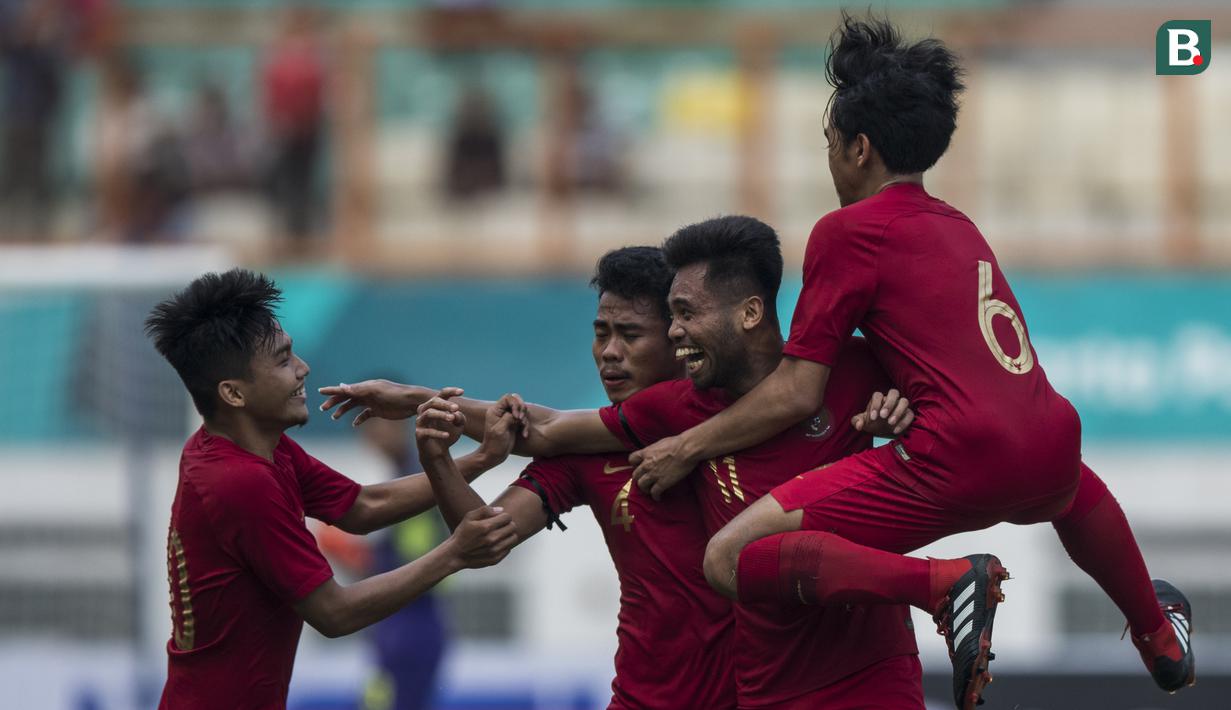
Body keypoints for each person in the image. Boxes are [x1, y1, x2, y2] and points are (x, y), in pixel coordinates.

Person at [623, 16, 1195, 710]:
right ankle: (1157, 636)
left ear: (858, 149)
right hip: (1049, 442)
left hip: (955, 457)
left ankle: (941, 585)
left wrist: (686, 445)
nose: (828, 162)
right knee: (1072, 486)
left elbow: (799, 391)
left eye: (829, 146)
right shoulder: (955, 223)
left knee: (729, 557)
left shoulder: (847, 232)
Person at [321, 221, 927, 708]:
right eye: (600, 332)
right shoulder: (589, 447)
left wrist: (895, 412)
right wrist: (443, 459)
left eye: (631, 334)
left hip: (779, 688)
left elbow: (927, 407)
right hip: (646, 694)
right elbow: (485, 538)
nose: (608, 353)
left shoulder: (775, 399)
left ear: (680, 334)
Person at [144, 268, 516, 709]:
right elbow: (333, 612)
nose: (303, 369)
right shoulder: (239, 481)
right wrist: (456, 553)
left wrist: (481, 459)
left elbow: (360, 505)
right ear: (234, 394)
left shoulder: (258, 448)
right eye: (283, 361)